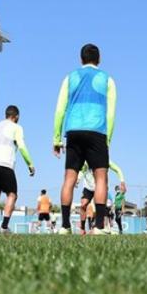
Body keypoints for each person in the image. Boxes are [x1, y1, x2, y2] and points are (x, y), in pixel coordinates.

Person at [53, 43, 117, 235]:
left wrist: (57, 138)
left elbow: (59, 109)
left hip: (73, 131)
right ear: (99, 59)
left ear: (81, 59)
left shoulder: (69, 77)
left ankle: (65, 226)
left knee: (69, 178)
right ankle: (98, 227)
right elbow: (111, 113)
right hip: (97, 131)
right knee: (101, 178)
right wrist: (107, 139)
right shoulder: (108, 79)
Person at [0, 105, 35, 233]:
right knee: (12, 194)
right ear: (16, 116)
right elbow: (21, 146)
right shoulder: (16, 127)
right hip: (5, 164)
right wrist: (30, 164)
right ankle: (4, 226)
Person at [79, 162, 125, 234]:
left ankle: (99, 228)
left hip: (100, 187)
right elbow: (82, 170)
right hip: (88, 187)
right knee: (83, 205)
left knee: (98, 208)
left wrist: (122, 181)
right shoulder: (87, 160)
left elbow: (117, 169)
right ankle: (82, 228)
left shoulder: (105, 159)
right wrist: (78, 179)